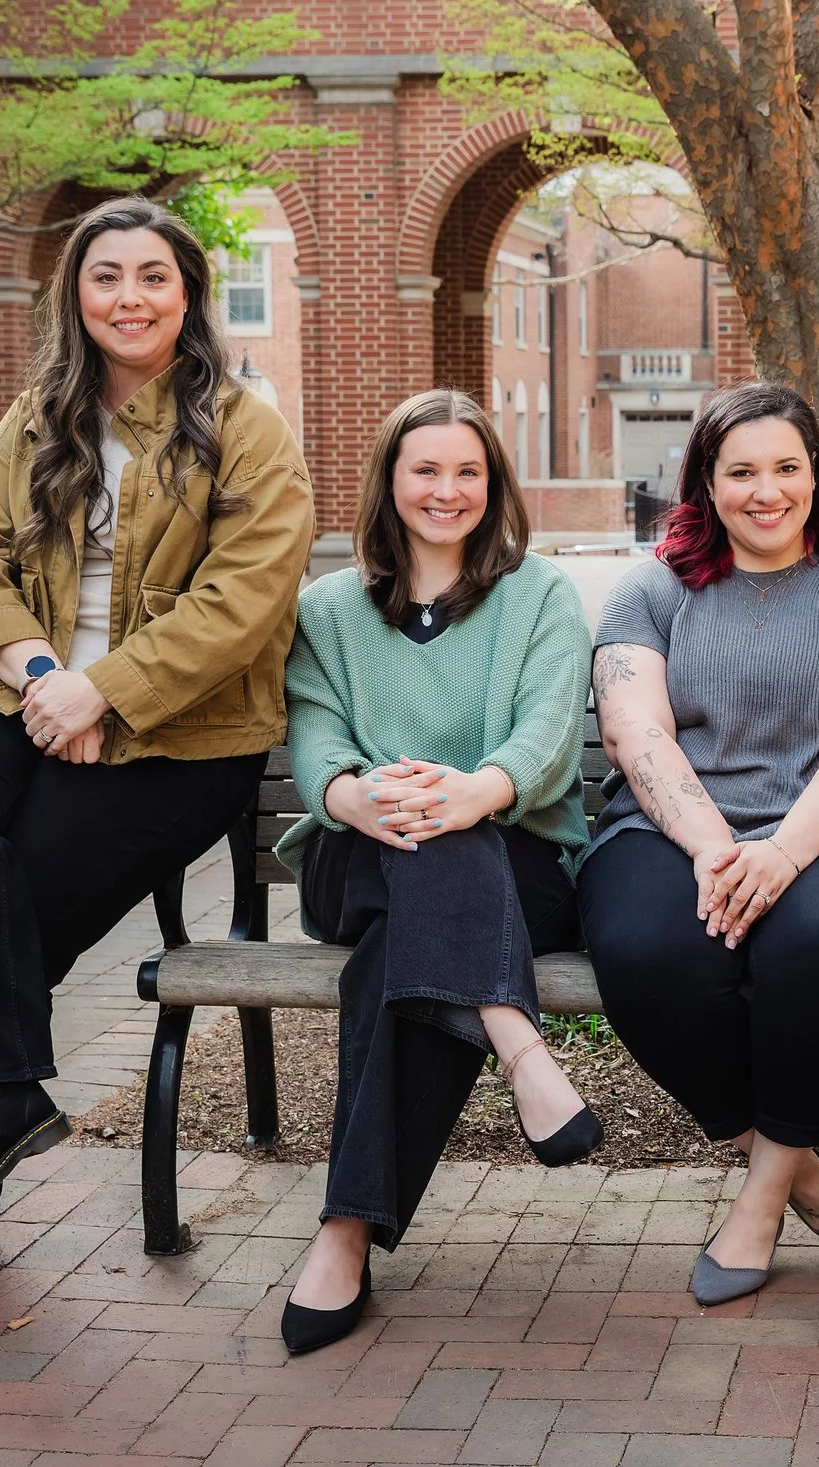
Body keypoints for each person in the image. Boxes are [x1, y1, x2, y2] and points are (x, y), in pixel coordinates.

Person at [0, 196, 314, 1299]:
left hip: (183, 728)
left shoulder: (244, 424)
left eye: (153, 276)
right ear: (77, 292)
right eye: (106, 275)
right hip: (28, 680)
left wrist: (103, 690)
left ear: (188, 293)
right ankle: (1, 1105)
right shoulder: (37, 416)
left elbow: (242, 604)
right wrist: (38, 674)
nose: (129, 297)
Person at [580, 383, 819, 1306]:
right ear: (706, 480)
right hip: (673, 831)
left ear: (817, 473)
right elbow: (635, 732)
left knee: (816, 938)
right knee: (640, 945)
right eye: (741, 470)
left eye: (786, 467)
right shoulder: (651, 591)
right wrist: (711, 846)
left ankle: (763, 1198)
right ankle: (802, 1170)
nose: (766, 490)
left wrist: (781, 852)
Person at [272, 388, 598, 1355]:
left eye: (468, 470)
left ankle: (346, 1232)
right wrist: (354, 798)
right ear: (391, 480)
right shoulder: (328, 608)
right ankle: (516, 1039)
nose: (446, 489)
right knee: (418, 841)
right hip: (358, 852)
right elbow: (315, 732)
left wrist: (475, 791)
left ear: (493, 484)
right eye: (426, 469)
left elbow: (545, 733)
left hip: (512, 857)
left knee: (403, 946)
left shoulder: (537, 594)